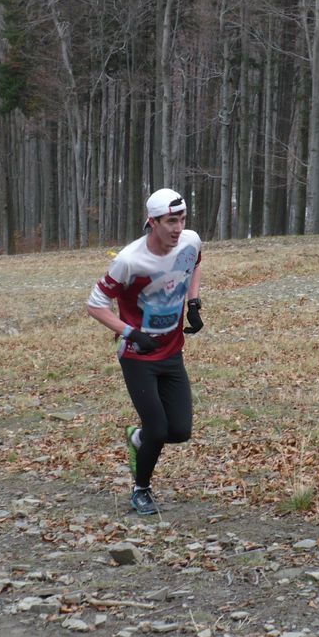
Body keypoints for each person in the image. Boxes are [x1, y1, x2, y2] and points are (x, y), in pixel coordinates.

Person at [86, 188, 204, 515]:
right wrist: (131, 332)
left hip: (172, 350)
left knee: (179, 431)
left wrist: (194, 302)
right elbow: (95, 305)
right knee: (158, 429)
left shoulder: (191, 241)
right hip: (137, 355)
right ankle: (141, 490)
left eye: (182, 219)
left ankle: (137, 438)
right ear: (153, 222)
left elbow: (195, 263)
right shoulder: (129, 261)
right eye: (170, 221)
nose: (178, 228)